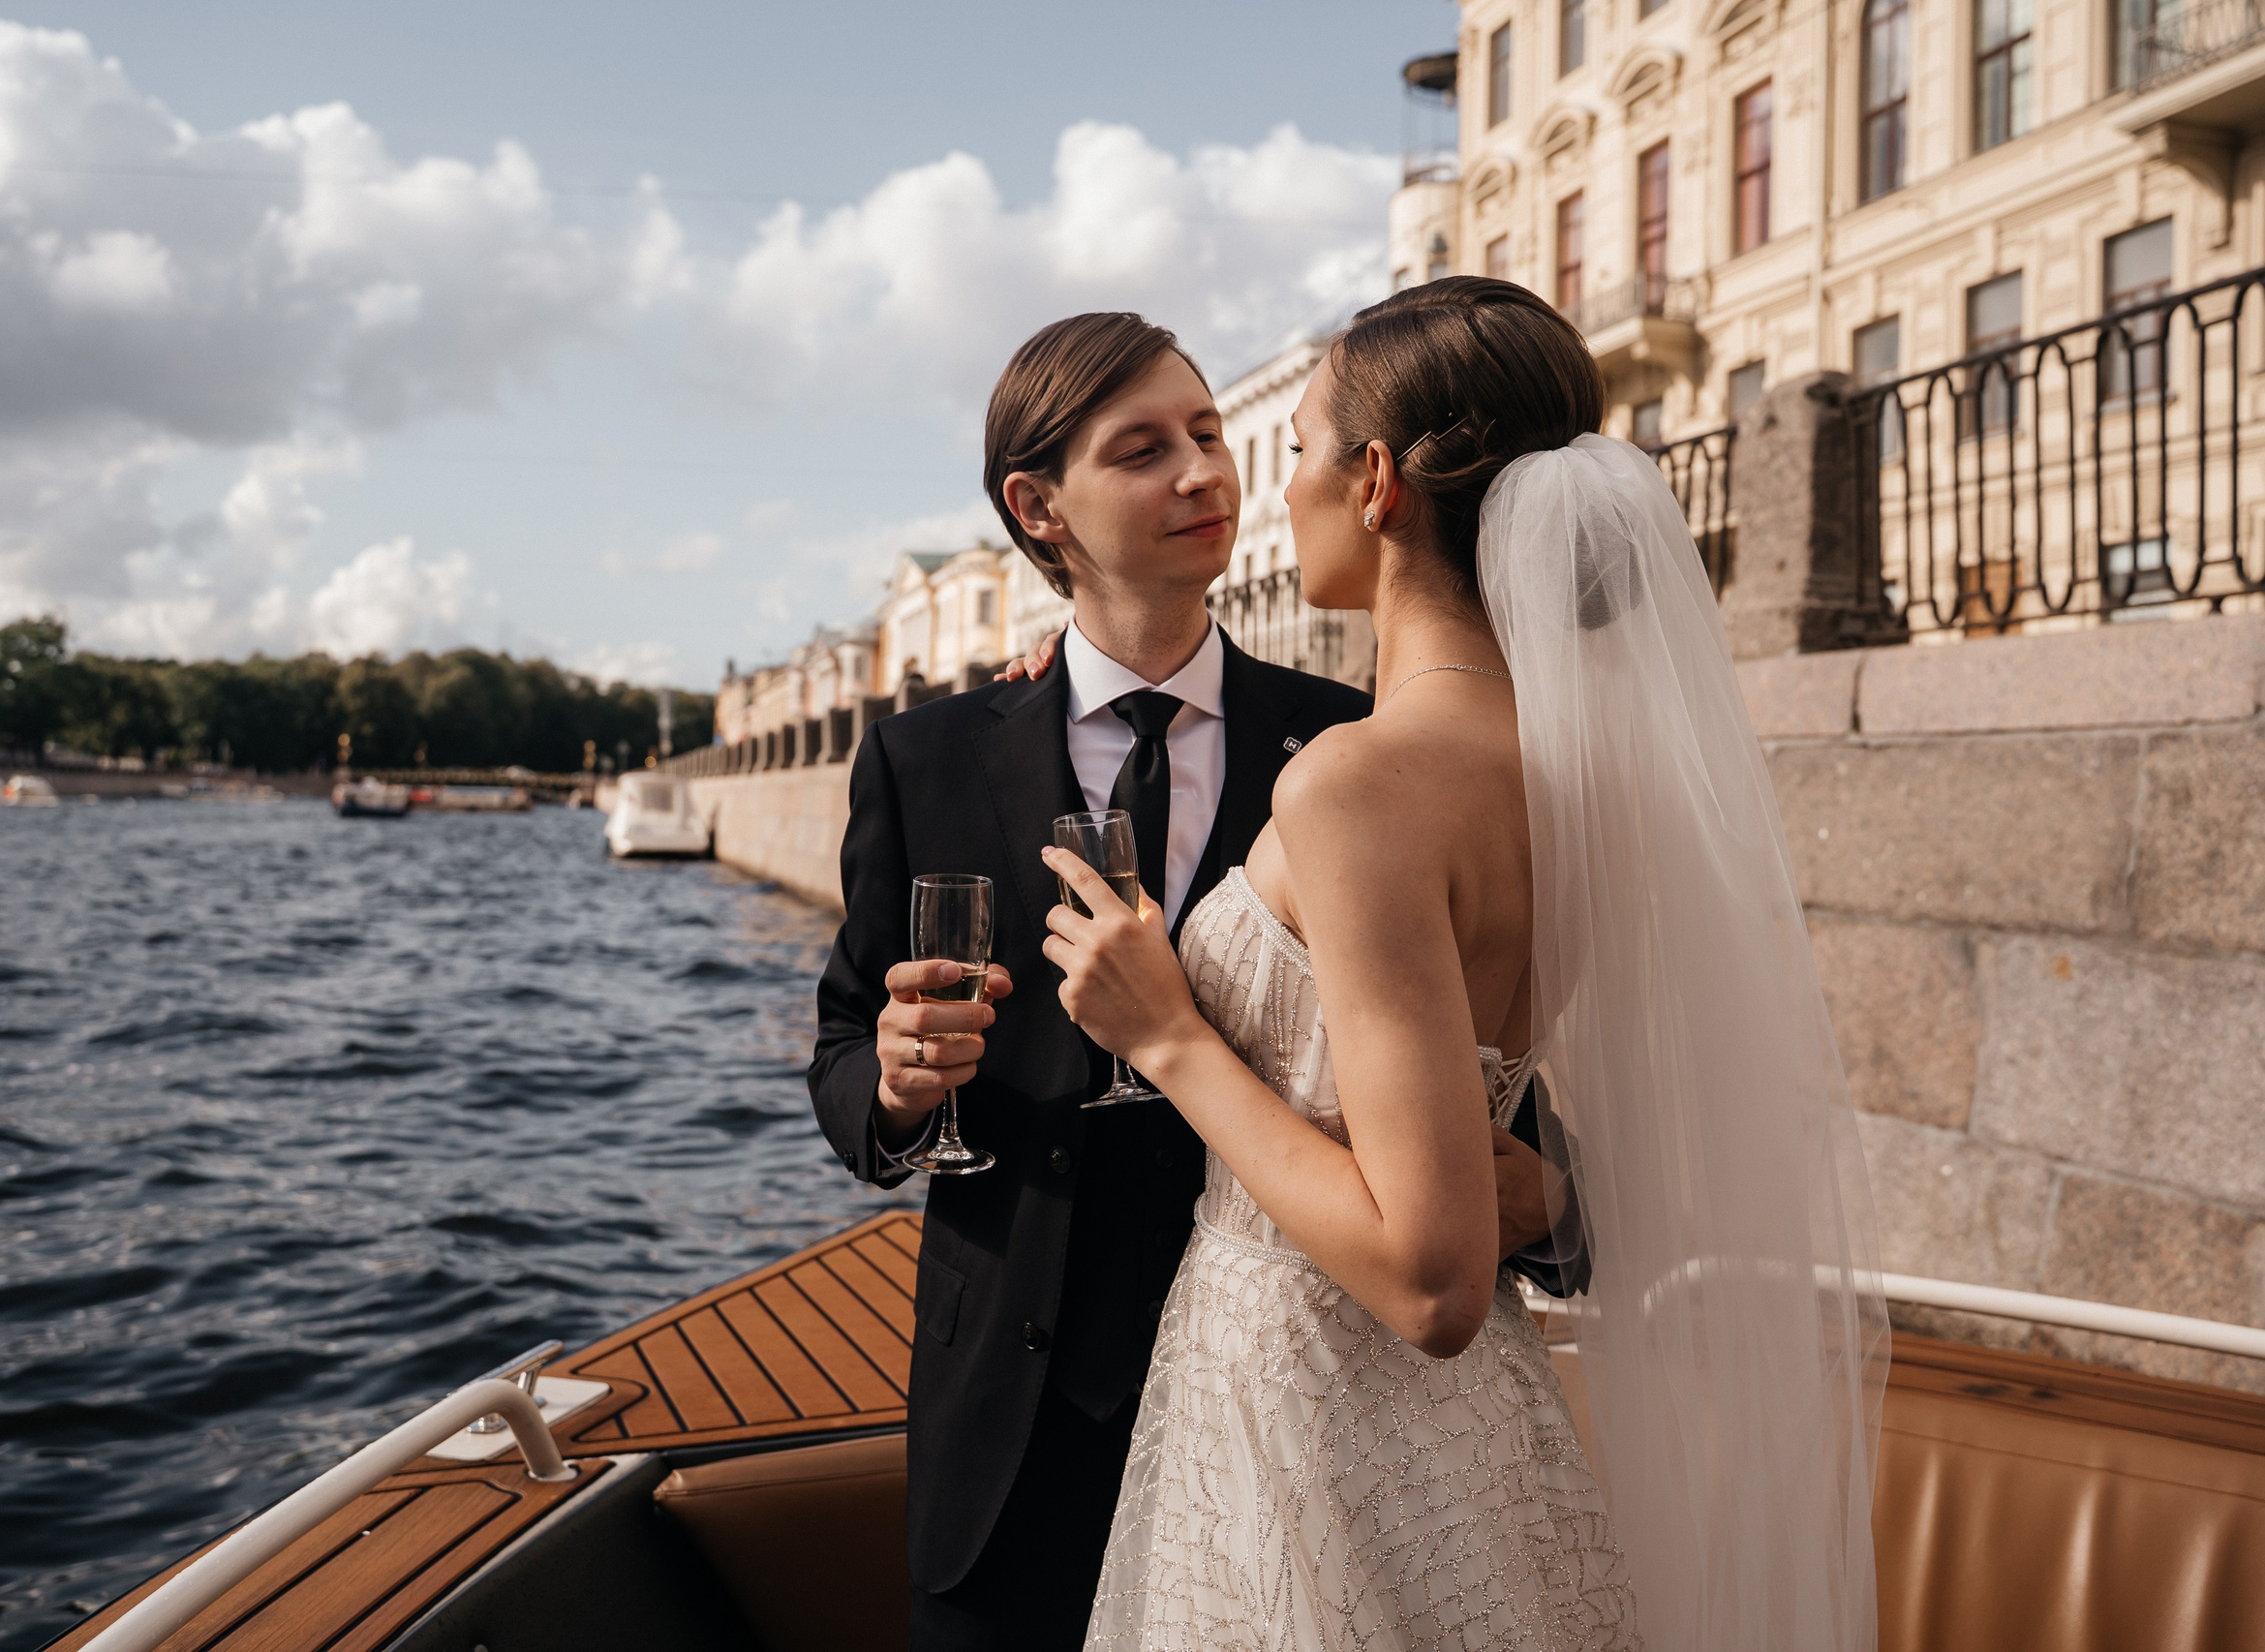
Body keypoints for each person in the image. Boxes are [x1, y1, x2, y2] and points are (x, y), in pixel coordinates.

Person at [1043, 279, 1889, 1651]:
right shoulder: (1593, 786)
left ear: (1375, 481)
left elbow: (1430, 1277)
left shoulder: (1357, 785)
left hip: (1306, 1408)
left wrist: (1169, 1036)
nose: (1283, 487)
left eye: (1302, 447)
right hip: (1479, 1427)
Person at [807, 311, 1569, 1652]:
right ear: (1038, 508)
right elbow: (842, 1053)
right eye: (1146, 448)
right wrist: (897, 1083)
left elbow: (1495, 1115)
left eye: (1215, 434)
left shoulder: (1354, 748)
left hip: (1298, 1417)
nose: (1206, 474)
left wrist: (1556, 1199)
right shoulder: (923, 761)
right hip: (1012, 1430)